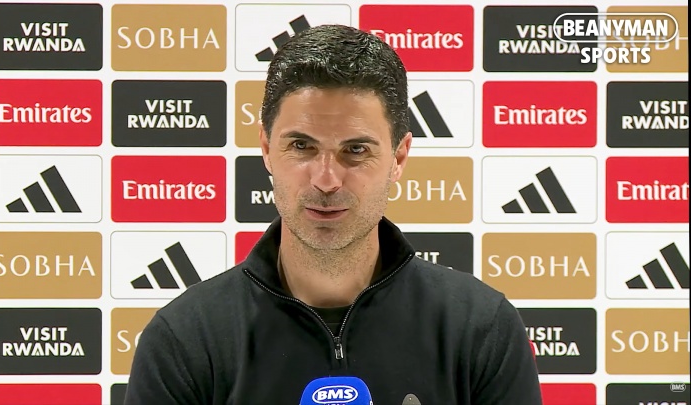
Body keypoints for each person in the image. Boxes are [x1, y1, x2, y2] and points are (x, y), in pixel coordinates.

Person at [124, 24, 542, 405]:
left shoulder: (480, 329)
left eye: (355, 150)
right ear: (267, 149)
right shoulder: (186, 340)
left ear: (399, 157)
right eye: (302, 146)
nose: (326, 180)